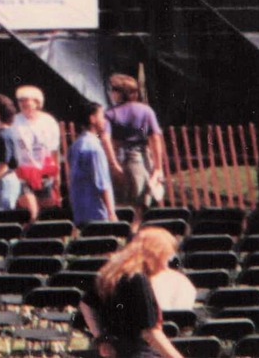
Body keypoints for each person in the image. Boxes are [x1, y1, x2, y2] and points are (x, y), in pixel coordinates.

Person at [81, 227, 182, 358]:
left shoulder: (112, 275)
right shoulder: (138, 279)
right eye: (166, 259)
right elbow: (151, 333)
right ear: (155, 254)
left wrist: (101, 339)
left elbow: (86, 305)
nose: (165, 267)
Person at [104, 74, 166, 221]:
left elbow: (105, 139)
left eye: (113, 90)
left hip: (118, 159)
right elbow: (155, 138)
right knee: (139, 204)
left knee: (118, 203)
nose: (111, 93)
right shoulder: (146, 111)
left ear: (119, 93)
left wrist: (113, 163)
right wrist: (158, 167)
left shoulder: (110, 114)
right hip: (140, 159)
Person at [9, 87, 62, 215]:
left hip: (44, 175)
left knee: (47, 212)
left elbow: (54, 151)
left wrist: (57, 175)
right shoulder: (14, 121)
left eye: (26, 100)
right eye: (20, 100)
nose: (23, 103)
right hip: (22, 175)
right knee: (31, 212)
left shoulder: (49, 121)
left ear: (37, 102)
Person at [68, 105, 117, 225]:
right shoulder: (94, 148)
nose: (105, 121)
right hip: (97, 211)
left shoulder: (76, 145)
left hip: (80, 210)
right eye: (102, 116)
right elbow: (101, 183)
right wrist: (111, 212)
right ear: (92, 119)